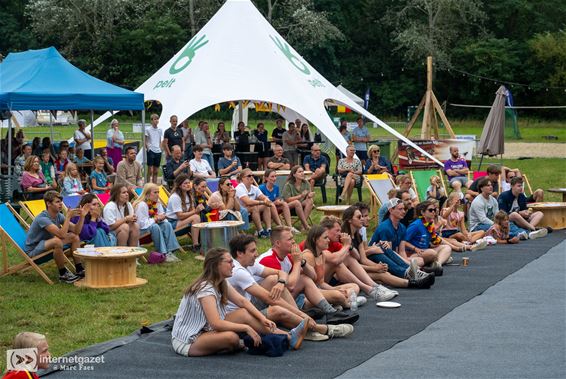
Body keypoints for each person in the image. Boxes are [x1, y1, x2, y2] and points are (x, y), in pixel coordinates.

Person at [171, 248, 308, 357]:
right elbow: (216, 323)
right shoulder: (206, 289)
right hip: (189, 339)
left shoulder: (221, 282)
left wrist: (262, 318)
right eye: (229, 262)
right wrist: (246, 328)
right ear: (216, 265)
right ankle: (248, 342)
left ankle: (288, 337)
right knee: (232, 338)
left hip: (206, 327)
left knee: (243, 313)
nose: (233, 265)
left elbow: (242, 301)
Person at [227, 234, 353, 342]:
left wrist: (282, 281)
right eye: (253, 251)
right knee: (278, 309)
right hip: (247, 310)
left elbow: (292, 277)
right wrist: (300, 314)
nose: (294, 242)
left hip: (275, 299)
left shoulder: (253, 263)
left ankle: (321, 317)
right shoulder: (253, 265)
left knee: (278, 282)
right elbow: (289, 286)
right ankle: (320, 327)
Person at [258, 226, 347, 311]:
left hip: (285, 297)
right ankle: (324, 309)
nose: (294, 242)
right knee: (337, 296)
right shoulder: (269, 259)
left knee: (305, 279)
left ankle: (329, 310)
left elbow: (313, 276)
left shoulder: (287, 257)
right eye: (289, 239)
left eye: (292, 238)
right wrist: (297, 262)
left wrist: (302, 261)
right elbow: (291, 286)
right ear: (278, 243)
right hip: (264, 304)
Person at [24, 191, 86, 283]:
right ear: (48, 203)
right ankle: (63, 274)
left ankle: (79, 269)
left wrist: (82, 217)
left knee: (74, 236)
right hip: (34, 249)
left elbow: (77, 231)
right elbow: (61, 235)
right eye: (57, 202)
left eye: (61, 201)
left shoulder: (58, 215)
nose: (61, 204)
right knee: (57, 241)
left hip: (47, 243)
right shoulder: (42, 218)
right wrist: (68, 217)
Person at [134, 183, 181, 262]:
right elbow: (141, 224)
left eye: (158, 192)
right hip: (141, 232)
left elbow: (161, 215)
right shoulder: (142, 205)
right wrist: (156, 219)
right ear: (148, 194)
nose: (157, 194)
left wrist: (162, 218)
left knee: (167, 224)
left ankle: (170, 251)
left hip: (152, 227)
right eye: (155, 192)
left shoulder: (157, 203)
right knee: (155, 226)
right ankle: (163, 253)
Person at [405, 201, 453, 272]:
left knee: (447, 248)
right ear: (422, 212)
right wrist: (415, 248)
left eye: (434, 210)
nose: (434, 212)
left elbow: (434, 240)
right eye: (430, 210)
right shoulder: (416, 225)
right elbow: (403, 242)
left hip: (425, 250)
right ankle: (437, 260)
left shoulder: (429, 223)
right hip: (413, 253)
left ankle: (437, 264)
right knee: (432, 253)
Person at [166, 174, 202, 250]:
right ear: (179, 185)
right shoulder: (175, 197)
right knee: (196, 217)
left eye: (189, 183)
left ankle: (201, 241)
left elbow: (191, 211)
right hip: (171, 224)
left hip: (181, 221)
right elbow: (180, 216)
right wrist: (195, 211)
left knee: (199, 216)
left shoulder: (189, 195)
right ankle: (195, 245)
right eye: (185, 183)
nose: (188, 185)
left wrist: (196, 211)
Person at [259, 169, 300, 234]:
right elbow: (261, 202)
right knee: (272, 205)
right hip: (266, 209)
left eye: (275, 176)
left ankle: (290, 226)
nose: (274, 178)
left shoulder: (276, 187)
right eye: (272, 176)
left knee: (284, 204)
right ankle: (281, 226)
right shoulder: (261, 188)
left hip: (274, 206)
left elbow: (276, 199)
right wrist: (274, 203)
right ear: (266, 178)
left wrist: (279, 201)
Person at [235, 168, 273, 238]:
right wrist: (262, 202)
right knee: (255, 207)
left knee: (266, 206)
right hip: (240, 211)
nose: (252, 177)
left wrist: (266, 200)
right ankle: (260, 231)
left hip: (250, 209)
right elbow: (248, 202)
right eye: (249, 176)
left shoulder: (254, 187)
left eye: (252, 175)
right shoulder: (239, 188)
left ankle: (268, 230)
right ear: (242, 178)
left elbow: (263, 196)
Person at [282, 165, 314, 230]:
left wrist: (310, 195)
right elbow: (287, 199)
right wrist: (300, 196)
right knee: (296, 202)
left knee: (310, 201)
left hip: (301, 206)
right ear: (294, 174)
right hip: (289, 208)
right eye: (299, 172)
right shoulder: (288, 185)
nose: (302, 173)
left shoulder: (306, 183)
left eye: (302, 171)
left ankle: (302, 226)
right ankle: (306, 225)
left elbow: (308, 195)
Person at [145, 113, 163, 183]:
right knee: (150, 170)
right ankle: (147, 185)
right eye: (155, 119)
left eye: (157, 119)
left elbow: (160, 140)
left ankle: (154, 186)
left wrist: (160, 148)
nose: (156, 120)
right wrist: (148, 148)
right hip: (151, 150)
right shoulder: (148, 129)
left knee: (156, 171)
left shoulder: (160, 130)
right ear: (151, 121)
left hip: (158, 151)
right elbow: (145, 140)